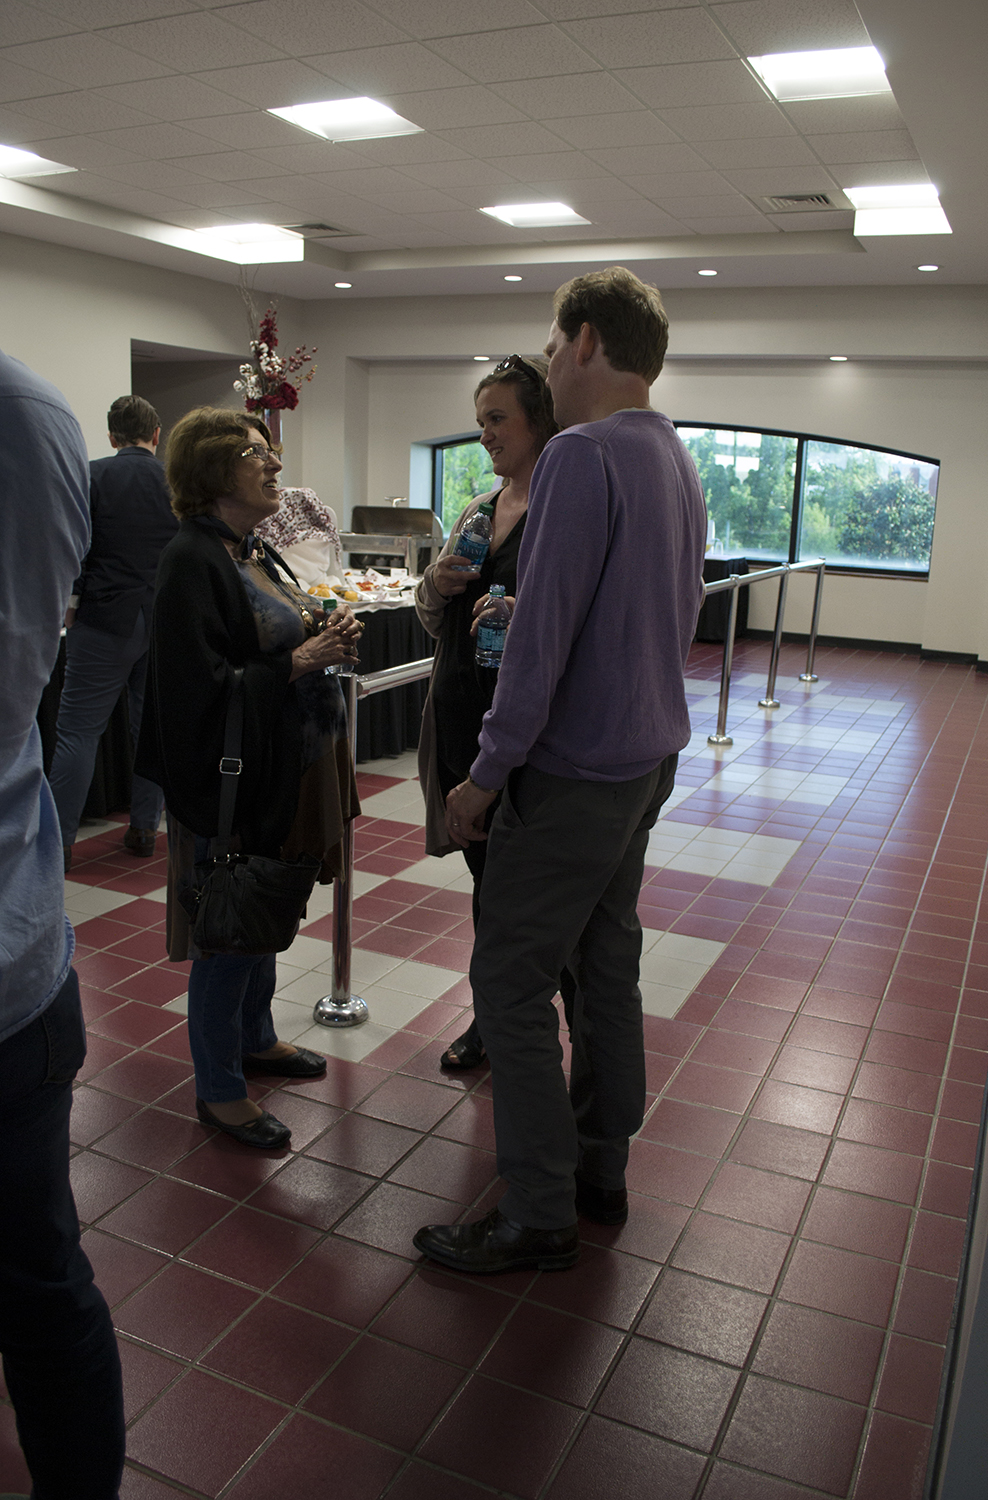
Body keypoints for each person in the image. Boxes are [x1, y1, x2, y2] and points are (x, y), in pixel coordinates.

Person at [414, 267, 707, 1273]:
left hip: (574, 772)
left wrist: (483, 778)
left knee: (508, 977)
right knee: (606, 964)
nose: (546, 358)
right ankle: (598, 1165)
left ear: (585, 341)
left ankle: (536, 1209)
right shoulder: (674, 455)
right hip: (643, 762)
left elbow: (536, 646)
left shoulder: (582, 457)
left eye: (550, 342)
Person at [135, 408, 362, 1149]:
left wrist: (324, 632)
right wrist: (301, 660)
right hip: (228, 779)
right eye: (253, 454)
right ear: (211, 474)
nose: (273, 464)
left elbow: (276, 631)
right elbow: (195, 689)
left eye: (271, 451)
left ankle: (256, 1037)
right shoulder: (191, 561)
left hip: (279, 764)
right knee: (229, 926)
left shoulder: (249, 547)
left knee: (265, 901)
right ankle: (219, 1089)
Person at [0, 346, 126, 1496]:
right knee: (39, 1277)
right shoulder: (38, 414)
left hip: (13, 974)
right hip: (20, 955)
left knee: (37, 1280)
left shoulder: (26, 414)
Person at [415, 355, 559, 1070]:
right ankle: (490, 1016)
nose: (486, 437)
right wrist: (437, 584)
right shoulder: (478, 510)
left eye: (498, 419)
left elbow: (579, 626)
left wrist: (521, 612)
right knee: (483, 883)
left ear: (538, 419)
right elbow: (429, 616)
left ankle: (515, 1020)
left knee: (516, 896)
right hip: (459, 726)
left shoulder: (561, 512)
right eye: (480, 423)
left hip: (524, 740)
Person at [48, 394, 178, 871]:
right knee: (152, 732)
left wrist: (72, 603)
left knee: (78, 733)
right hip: (161, 621)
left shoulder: (93, 475)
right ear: (157, 433)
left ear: (111, 436)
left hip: (105, 620)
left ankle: (58, 842)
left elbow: (75, 546)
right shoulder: (174, 481)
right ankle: (145, 829)